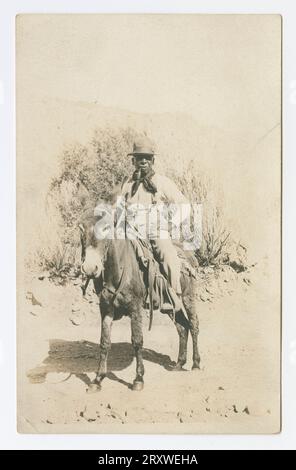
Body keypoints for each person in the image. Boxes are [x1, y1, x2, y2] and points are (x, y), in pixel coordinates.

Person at [119, 137, 190, 311]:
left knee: (168, 255)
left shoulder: (163, 182)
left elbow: (183, 203)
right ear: (133, 161)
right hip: (132, 233)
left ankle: (175, 296)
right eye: (139, 157)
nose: (143, 161)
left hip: (156, 231)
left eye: (147, 158)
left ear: (152, 161)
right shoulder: (127, 184)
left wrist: (171, 224)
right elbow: (120, 208)